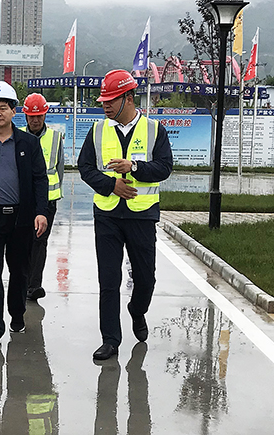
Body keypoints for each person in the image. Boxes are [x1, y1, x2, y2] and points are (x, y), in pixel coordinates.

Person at [78, 69, 173, 361]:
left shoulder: (154, 130)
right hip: (107, 215)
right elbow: (85, 168)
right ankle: (110, 339)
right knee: (108, 279)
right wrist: (111, 186)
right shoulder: (97, 131)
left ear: (128, 98)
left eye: (111, 100)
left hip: (141, 216)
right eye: (103, 101)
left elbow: (164, 168)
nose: (105, 106)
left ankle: (137, 309)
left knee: (145, 279)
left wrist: (134, 167)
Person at [0, 81, 48, 351]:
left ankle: (17, 315)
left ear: (14, 111)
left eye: (3, 107)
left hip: (20, 219)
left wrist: (41, 212)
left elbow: (40, 179)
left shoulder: (28, 143)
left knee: (19, 271)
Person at [22, 93, 64, 301]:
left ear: (45, 115)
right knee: (23, 241)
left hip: (47, 201)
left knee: (40, 241)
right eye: (32, 116)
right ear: (25, 116)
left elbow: (60, 168)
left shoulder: (55, 137)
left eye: (39, 115)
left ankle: (33, 286)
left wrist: (53, 195)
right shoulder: (18, 136)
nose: (36, 120)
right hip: (23, 200)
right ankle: (22, 281)